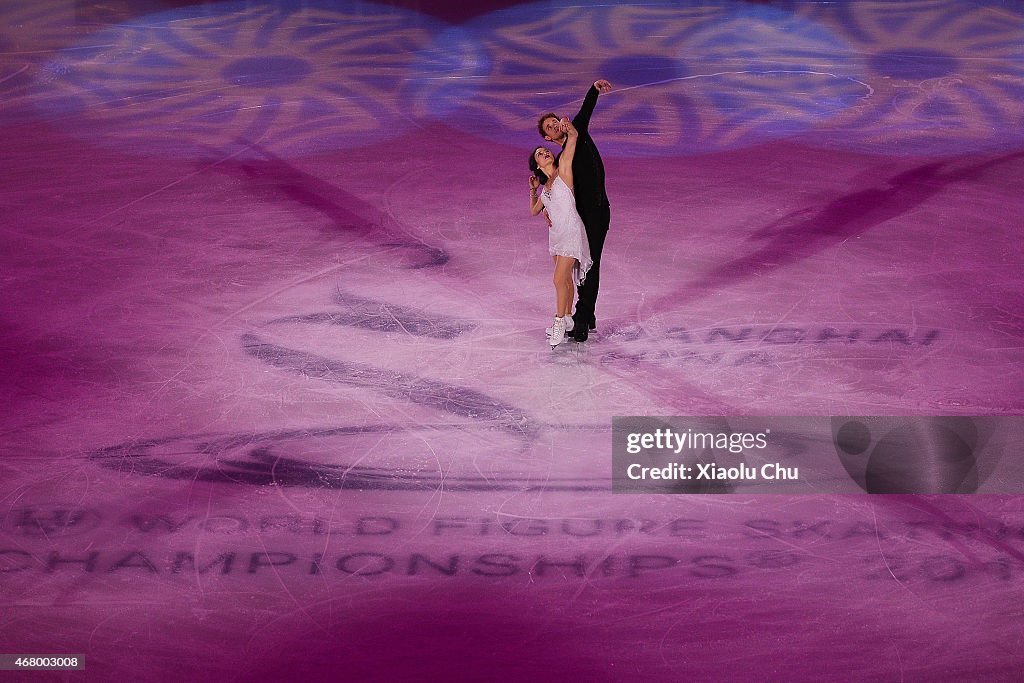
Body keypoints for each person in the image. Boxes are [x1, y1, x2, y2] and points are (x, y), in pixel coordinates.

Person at [537, 78, 612, 342]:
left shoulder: (577, 129)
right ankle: (586, 315)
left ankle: (582, 319)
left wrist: (593, 88)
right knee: (581, 266)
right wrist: (548, 209)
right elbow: (556, 191)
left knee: (591, 266)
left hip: (599, 211)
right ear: (548, 137)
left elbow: (586, 108)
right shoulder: (558, 162)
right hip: (581, 216)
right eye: (549, 127)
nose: (554, 124)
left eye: (555, 120)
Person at [529, 118, 592, 348]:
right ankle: (566, 319)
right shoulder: (545, 187)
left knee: (557, 279)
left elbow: (573, 139)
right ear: (537, 165)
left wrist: (570, 129)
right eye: (540, 153)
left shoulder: (563, 168)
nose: (545, 152)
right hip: (556, 237)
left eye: (545, 150)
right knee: (564, 280)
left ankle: (557, 322)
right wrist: (533, 190)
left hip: (571, 232)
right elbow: (534, 210)